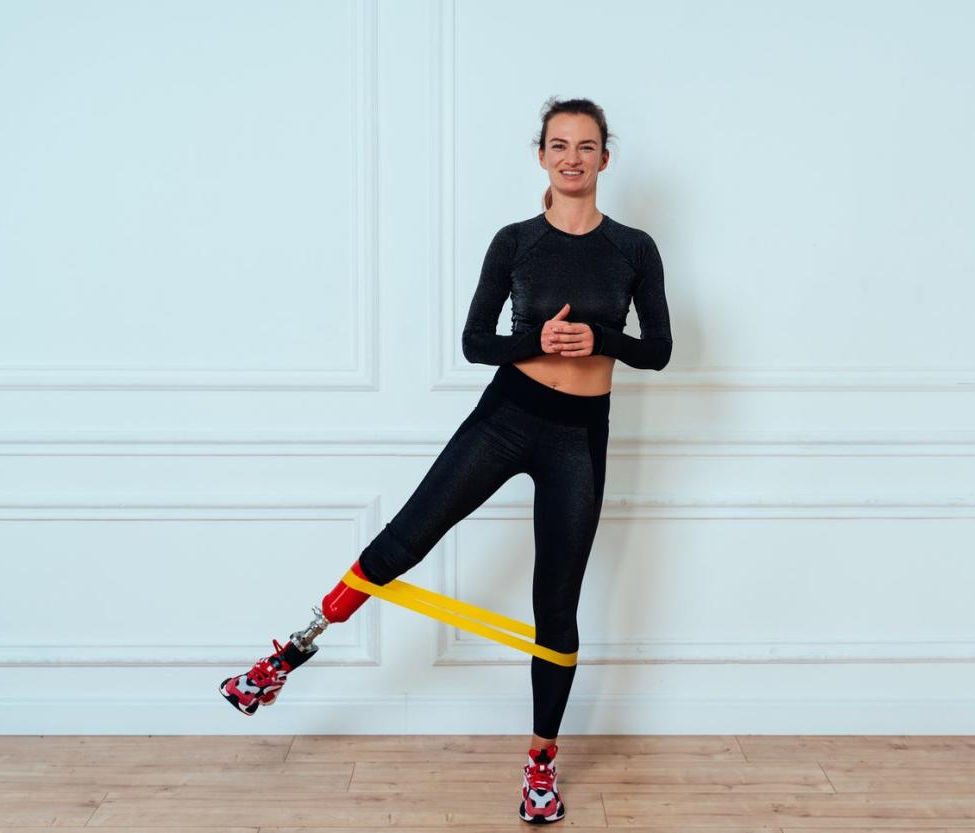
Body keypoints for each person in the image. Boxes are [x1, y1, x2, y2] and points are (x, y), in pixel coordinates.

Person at [218, 96, 672, 825]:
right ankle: (289, 654)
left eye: (586, 146)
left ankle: (540, 767)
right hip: (506, 417)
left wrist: (599, 340)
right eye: (559, 144)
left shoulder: (633, 248)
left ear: (605, 159)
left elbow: (658, 348)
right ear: (542, 155)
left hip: (578, 438)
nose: (572, 158)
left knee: (555, 604)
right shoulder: (515, 241)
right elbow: (474, 342)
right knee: (405, 537)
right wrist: (535, 344)